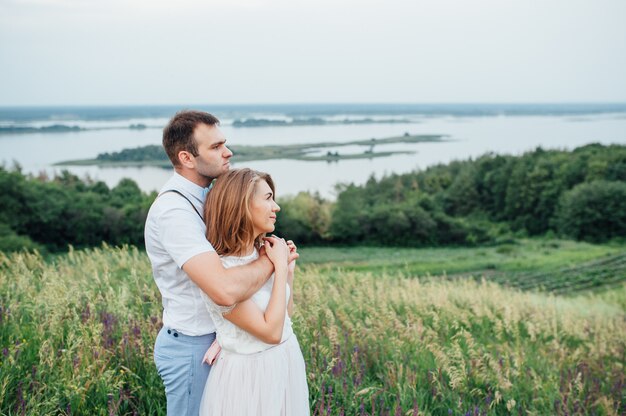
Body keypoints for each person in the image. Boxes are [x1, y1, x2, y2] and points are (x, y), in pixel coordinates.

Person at [144, 111, 293, 416]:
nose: (228, 152)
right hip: (192, 348)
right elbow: (223, 291)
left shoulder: (209, 196)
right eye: (215, 147)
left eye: (224, 143)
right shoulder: (174, 211)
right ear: (187, 157)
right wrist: (273, 262)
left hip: (226, 343)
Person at [199, 168, 310, 415]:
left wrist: (288, 271)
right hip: (250, 378)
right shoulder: (221, 274)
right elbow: (270, 333)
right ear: (242, 205)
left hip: (284, 362)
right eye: (268, 198)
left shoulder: (262, 253)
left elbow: (284, 320)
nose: (276, 206)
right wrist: (278, 267)